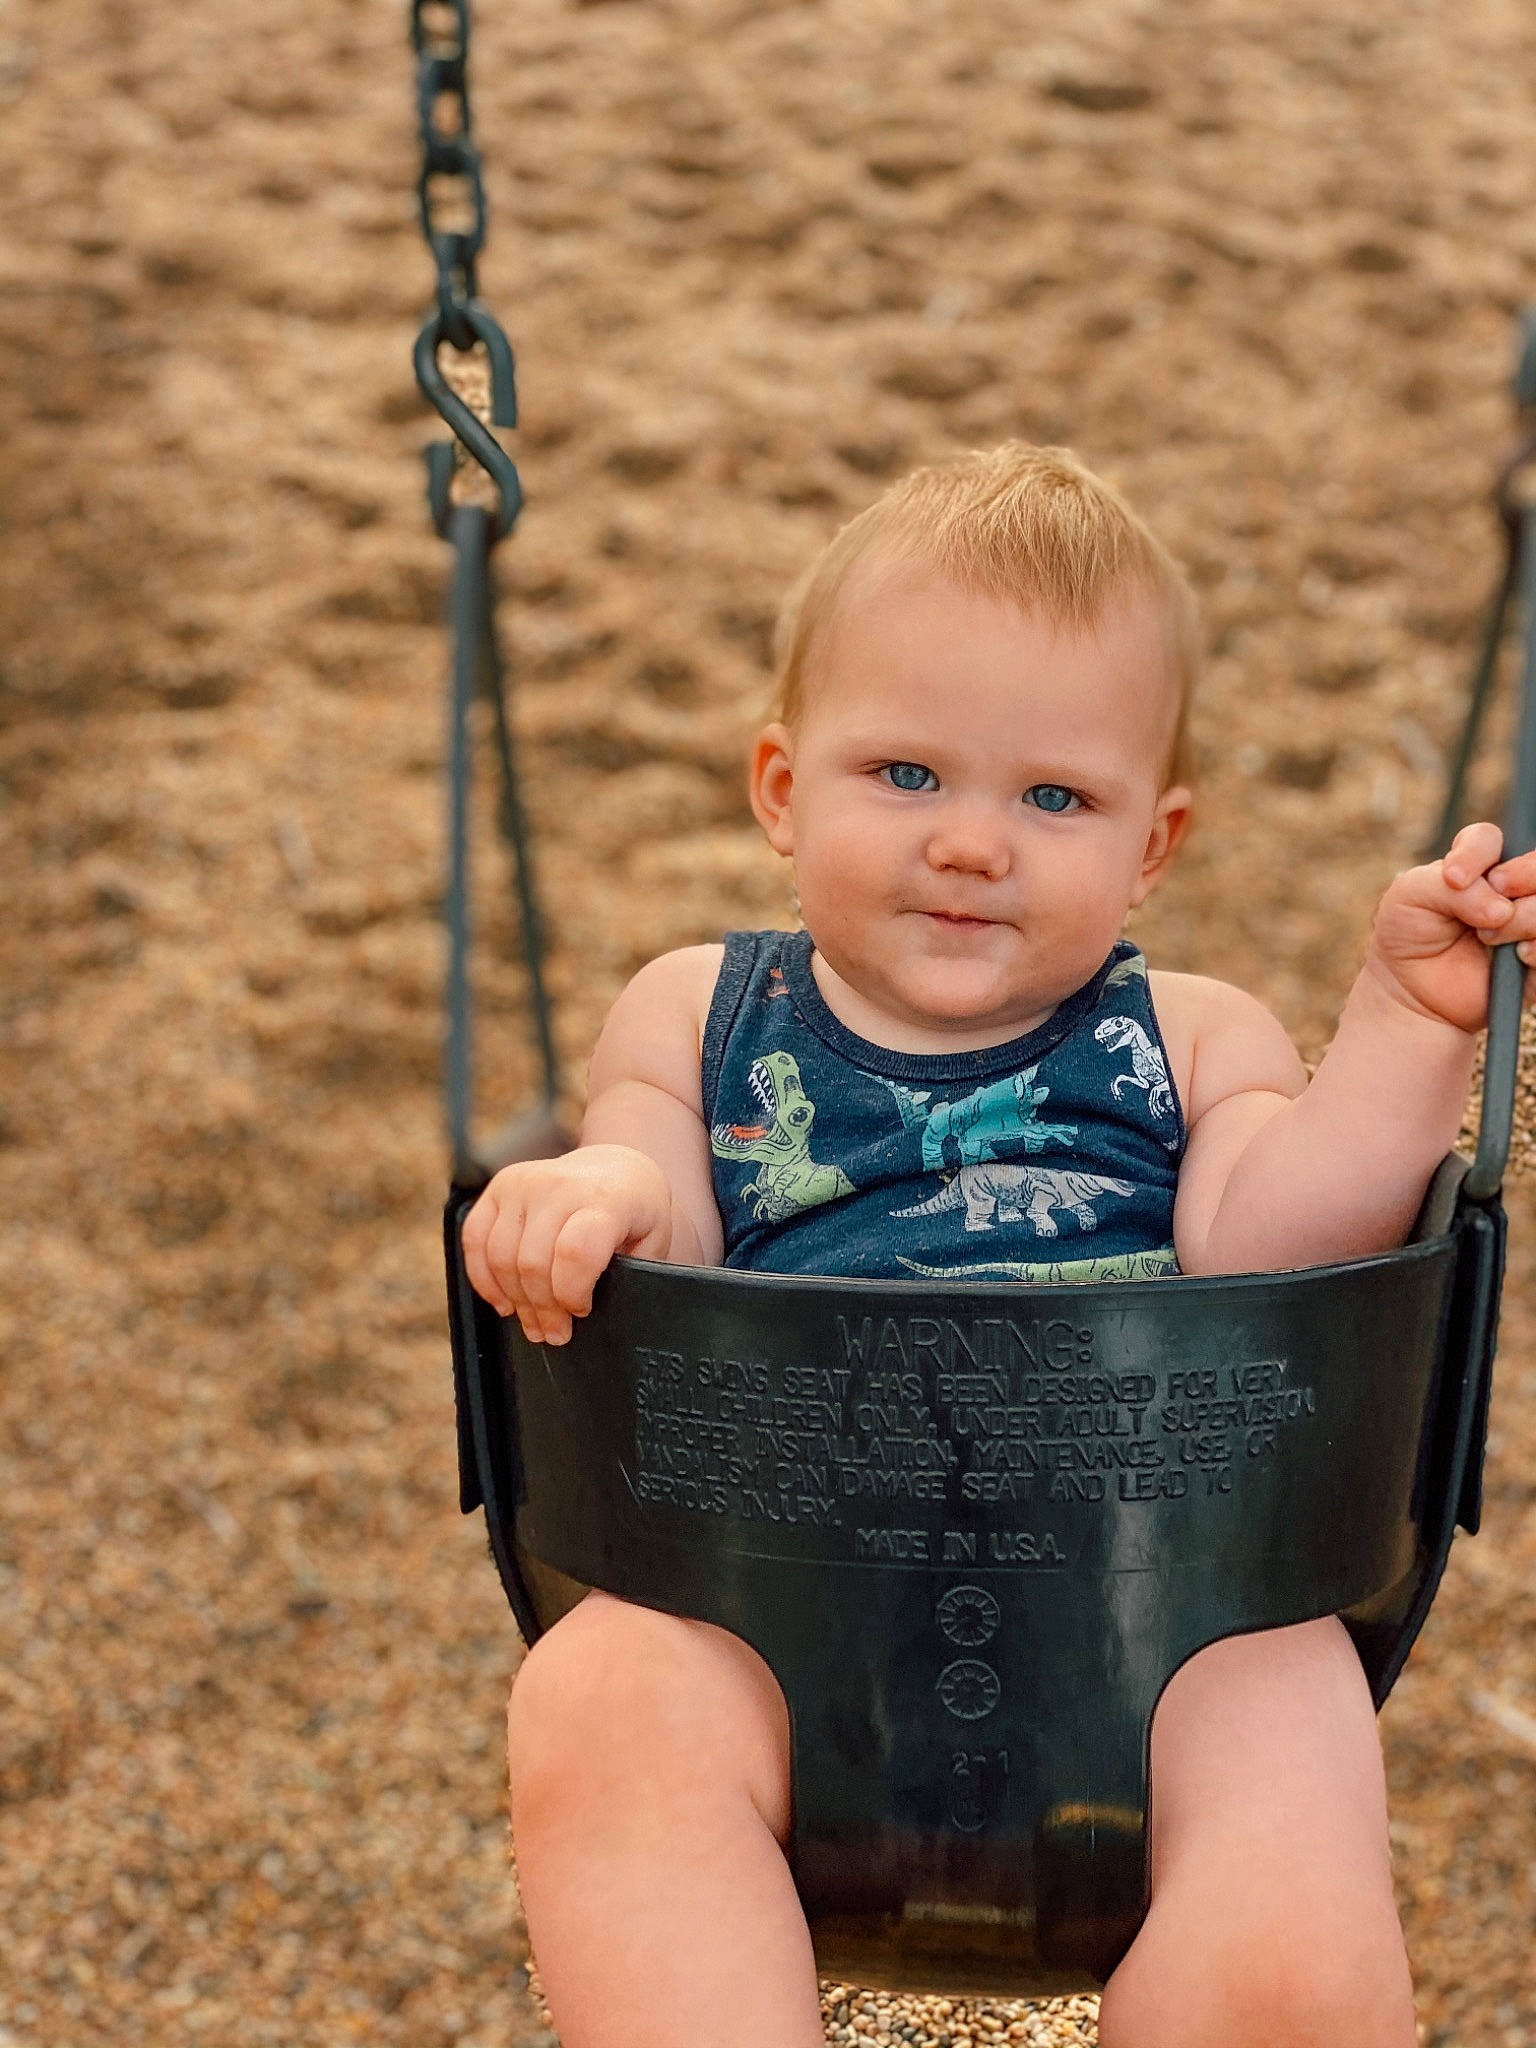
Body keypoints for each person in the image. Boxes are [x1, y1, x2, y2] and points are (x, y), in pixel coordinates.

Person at [461, 444, 1535, 2048]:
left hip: (1161, 1598)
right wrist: (594, 1190)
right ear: (779, 787)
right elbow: (667, 1207)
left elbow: (1275, 1247)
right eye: (906, 775)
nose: (973, 842)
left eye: (1054, 798)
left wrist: (1402, 1026)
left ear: (1151, 846)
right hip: (766, 1590)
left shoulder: (1191, 1037)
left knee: (1295, 1734)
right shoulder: (696, 1013)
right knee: (600, 1699)